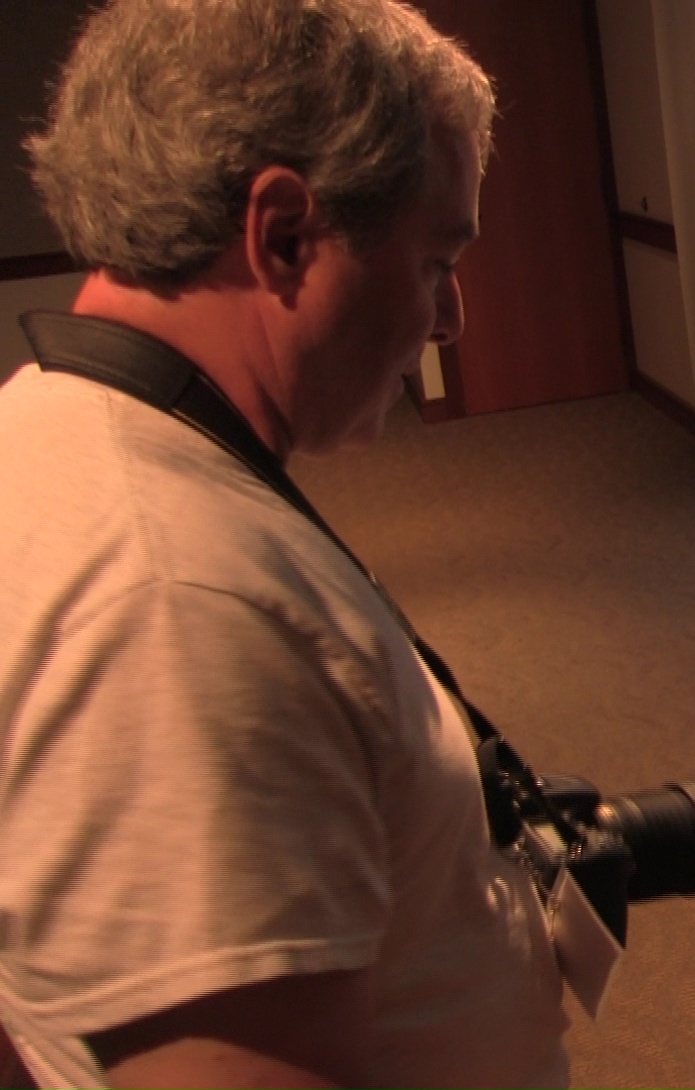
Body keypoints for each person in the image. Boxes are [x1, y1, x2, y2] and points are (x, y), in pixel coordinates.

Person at [0, 2, 570, 1088]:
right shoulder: (178, 610)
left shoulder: (41, 426)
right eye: (436, 260)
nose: (450, 319)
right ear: (285, 236)